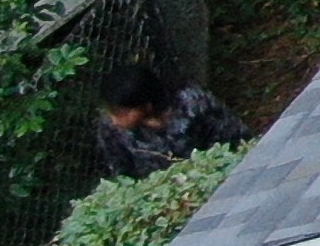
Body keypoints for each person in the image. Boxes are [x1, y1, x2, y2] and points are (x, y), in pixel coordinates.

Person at [95, 63, 247, 182]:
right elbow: (121, 175)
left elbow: (235, 139)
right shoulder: (112, 129)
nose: (114, 120)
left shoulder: (192, 105)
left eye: (123, 113)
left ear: (146, 105)